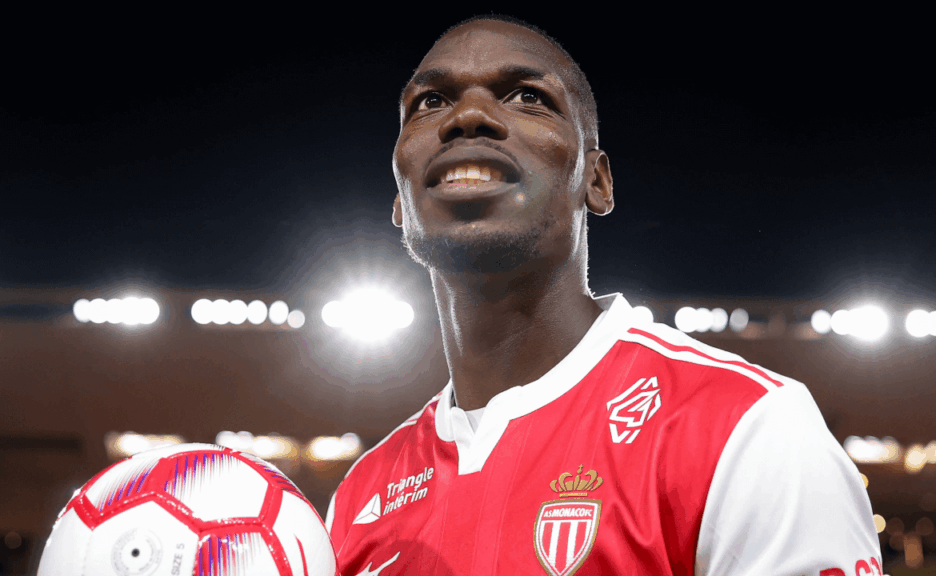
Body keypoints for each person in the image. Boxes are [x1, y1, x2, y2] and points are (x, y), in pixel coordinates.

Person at [326, 13, 883, 576]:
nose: (468, 117)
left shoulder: (745, 429)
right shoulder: (359, 500)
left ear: (596, 181)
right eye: (430, 102)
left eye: (525, 96)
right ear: (399, 199)